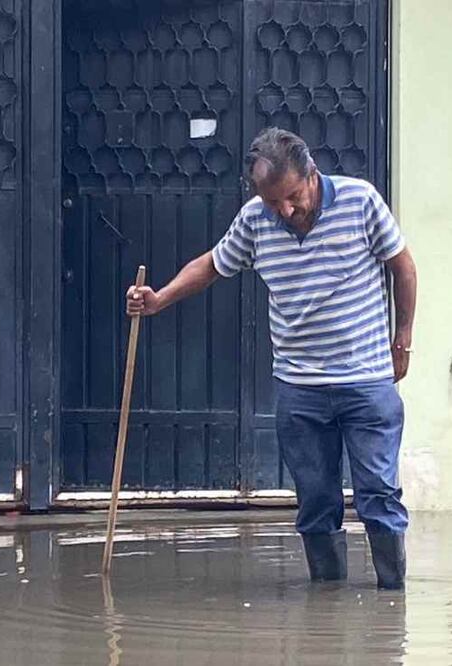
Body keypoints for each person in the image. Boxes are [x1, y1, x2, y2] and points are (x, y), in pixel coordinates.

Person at [126, 127, 417, 589]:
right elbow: (212, 265)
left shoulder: (360, 201)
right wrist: (160, 298)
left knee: (378, 494)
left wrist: (402, 338)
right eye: (272, 202)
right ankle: (326, 605)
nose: (285, 210)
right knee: (315, 501)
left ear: (312, 173)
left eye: (293, 197)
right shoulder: (254, 220)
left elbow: (402, 266)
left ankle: (392, 600)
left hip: (366, 381)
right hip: (300, 388)